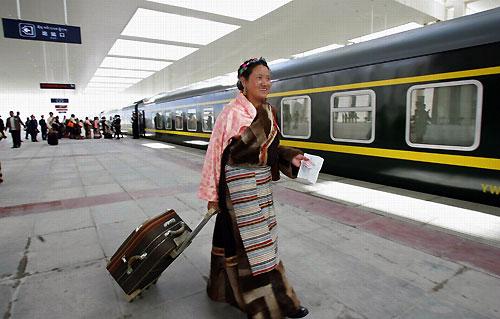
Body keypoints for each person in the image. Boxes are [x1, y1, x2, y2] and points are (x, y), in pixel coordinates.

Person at [199, 57, 309, 319]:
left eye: (268, 78)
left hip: (261, 190)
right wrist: (212, 196)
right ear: (243, 82)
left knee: (250, 244)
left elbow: (270, 150)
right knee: (256, 249)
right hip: (238, 192)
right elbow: (215, 154)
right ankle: (275, 305)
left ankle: (224, 290)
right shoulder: (231, 113)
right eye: (258, 77)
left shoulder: (269, 111)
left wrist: (291, 157)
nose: (265, 82)